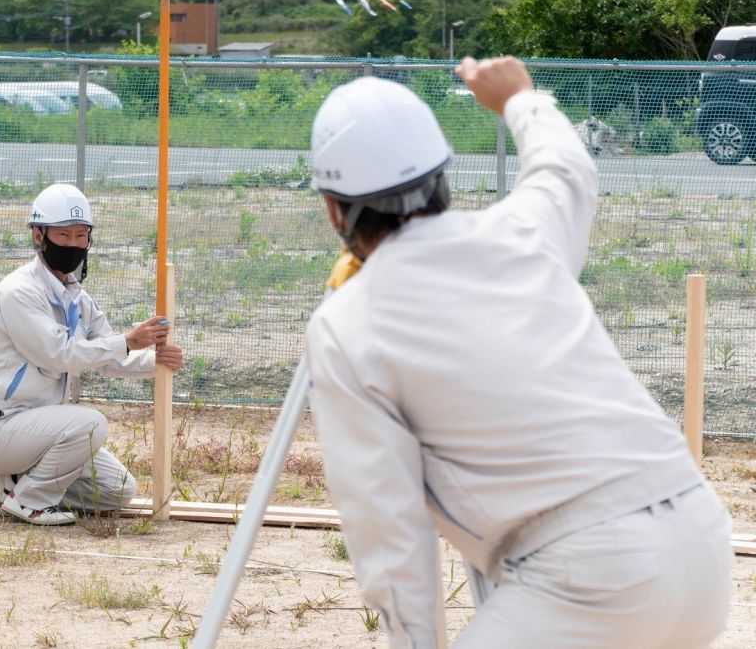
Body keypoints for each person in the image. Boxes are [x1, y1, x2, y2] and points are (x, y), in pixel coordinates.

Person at [304, 56, 733, 648]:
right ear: (443, 176)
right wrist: (519, 99)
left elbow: (389, 530)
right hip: (702, 542)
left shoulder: (348, 324)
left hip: (587, 577)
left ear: (334, 208)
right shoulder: (522, 233)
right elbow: (564, 167)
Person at [0, 183, 182, 526]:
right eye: (63, 234)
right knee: (90, 423)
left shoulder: (77, 298)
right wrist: (128, 340)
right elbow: (59, 355)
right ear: (38, 236)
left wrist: (155, 362)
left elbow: (110, 355)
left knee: (118, 489)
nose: (73, 244)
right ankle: (28, 500)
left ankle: (18, 482)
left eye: (81, 235)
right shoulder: (18, 292)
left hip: (39, 430)